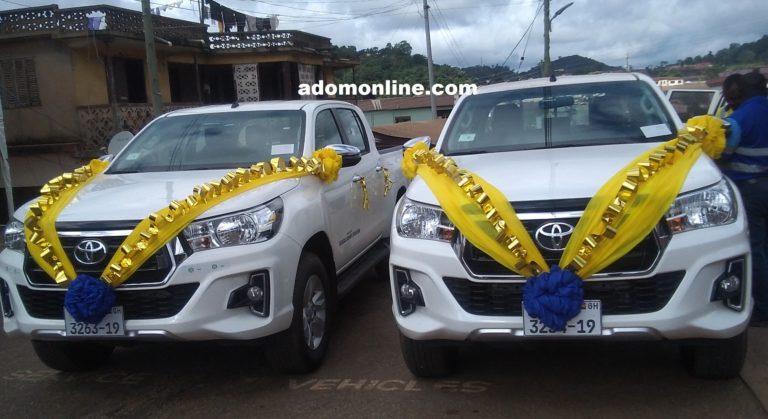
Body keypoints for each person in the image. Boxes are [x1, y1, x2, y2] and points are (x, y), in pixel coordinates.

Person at [719, 71, 768, 326]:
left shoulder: (740, 118)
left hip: (751, 190)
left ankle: (761, 310)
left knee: (756, 248)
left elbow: (724, 153)